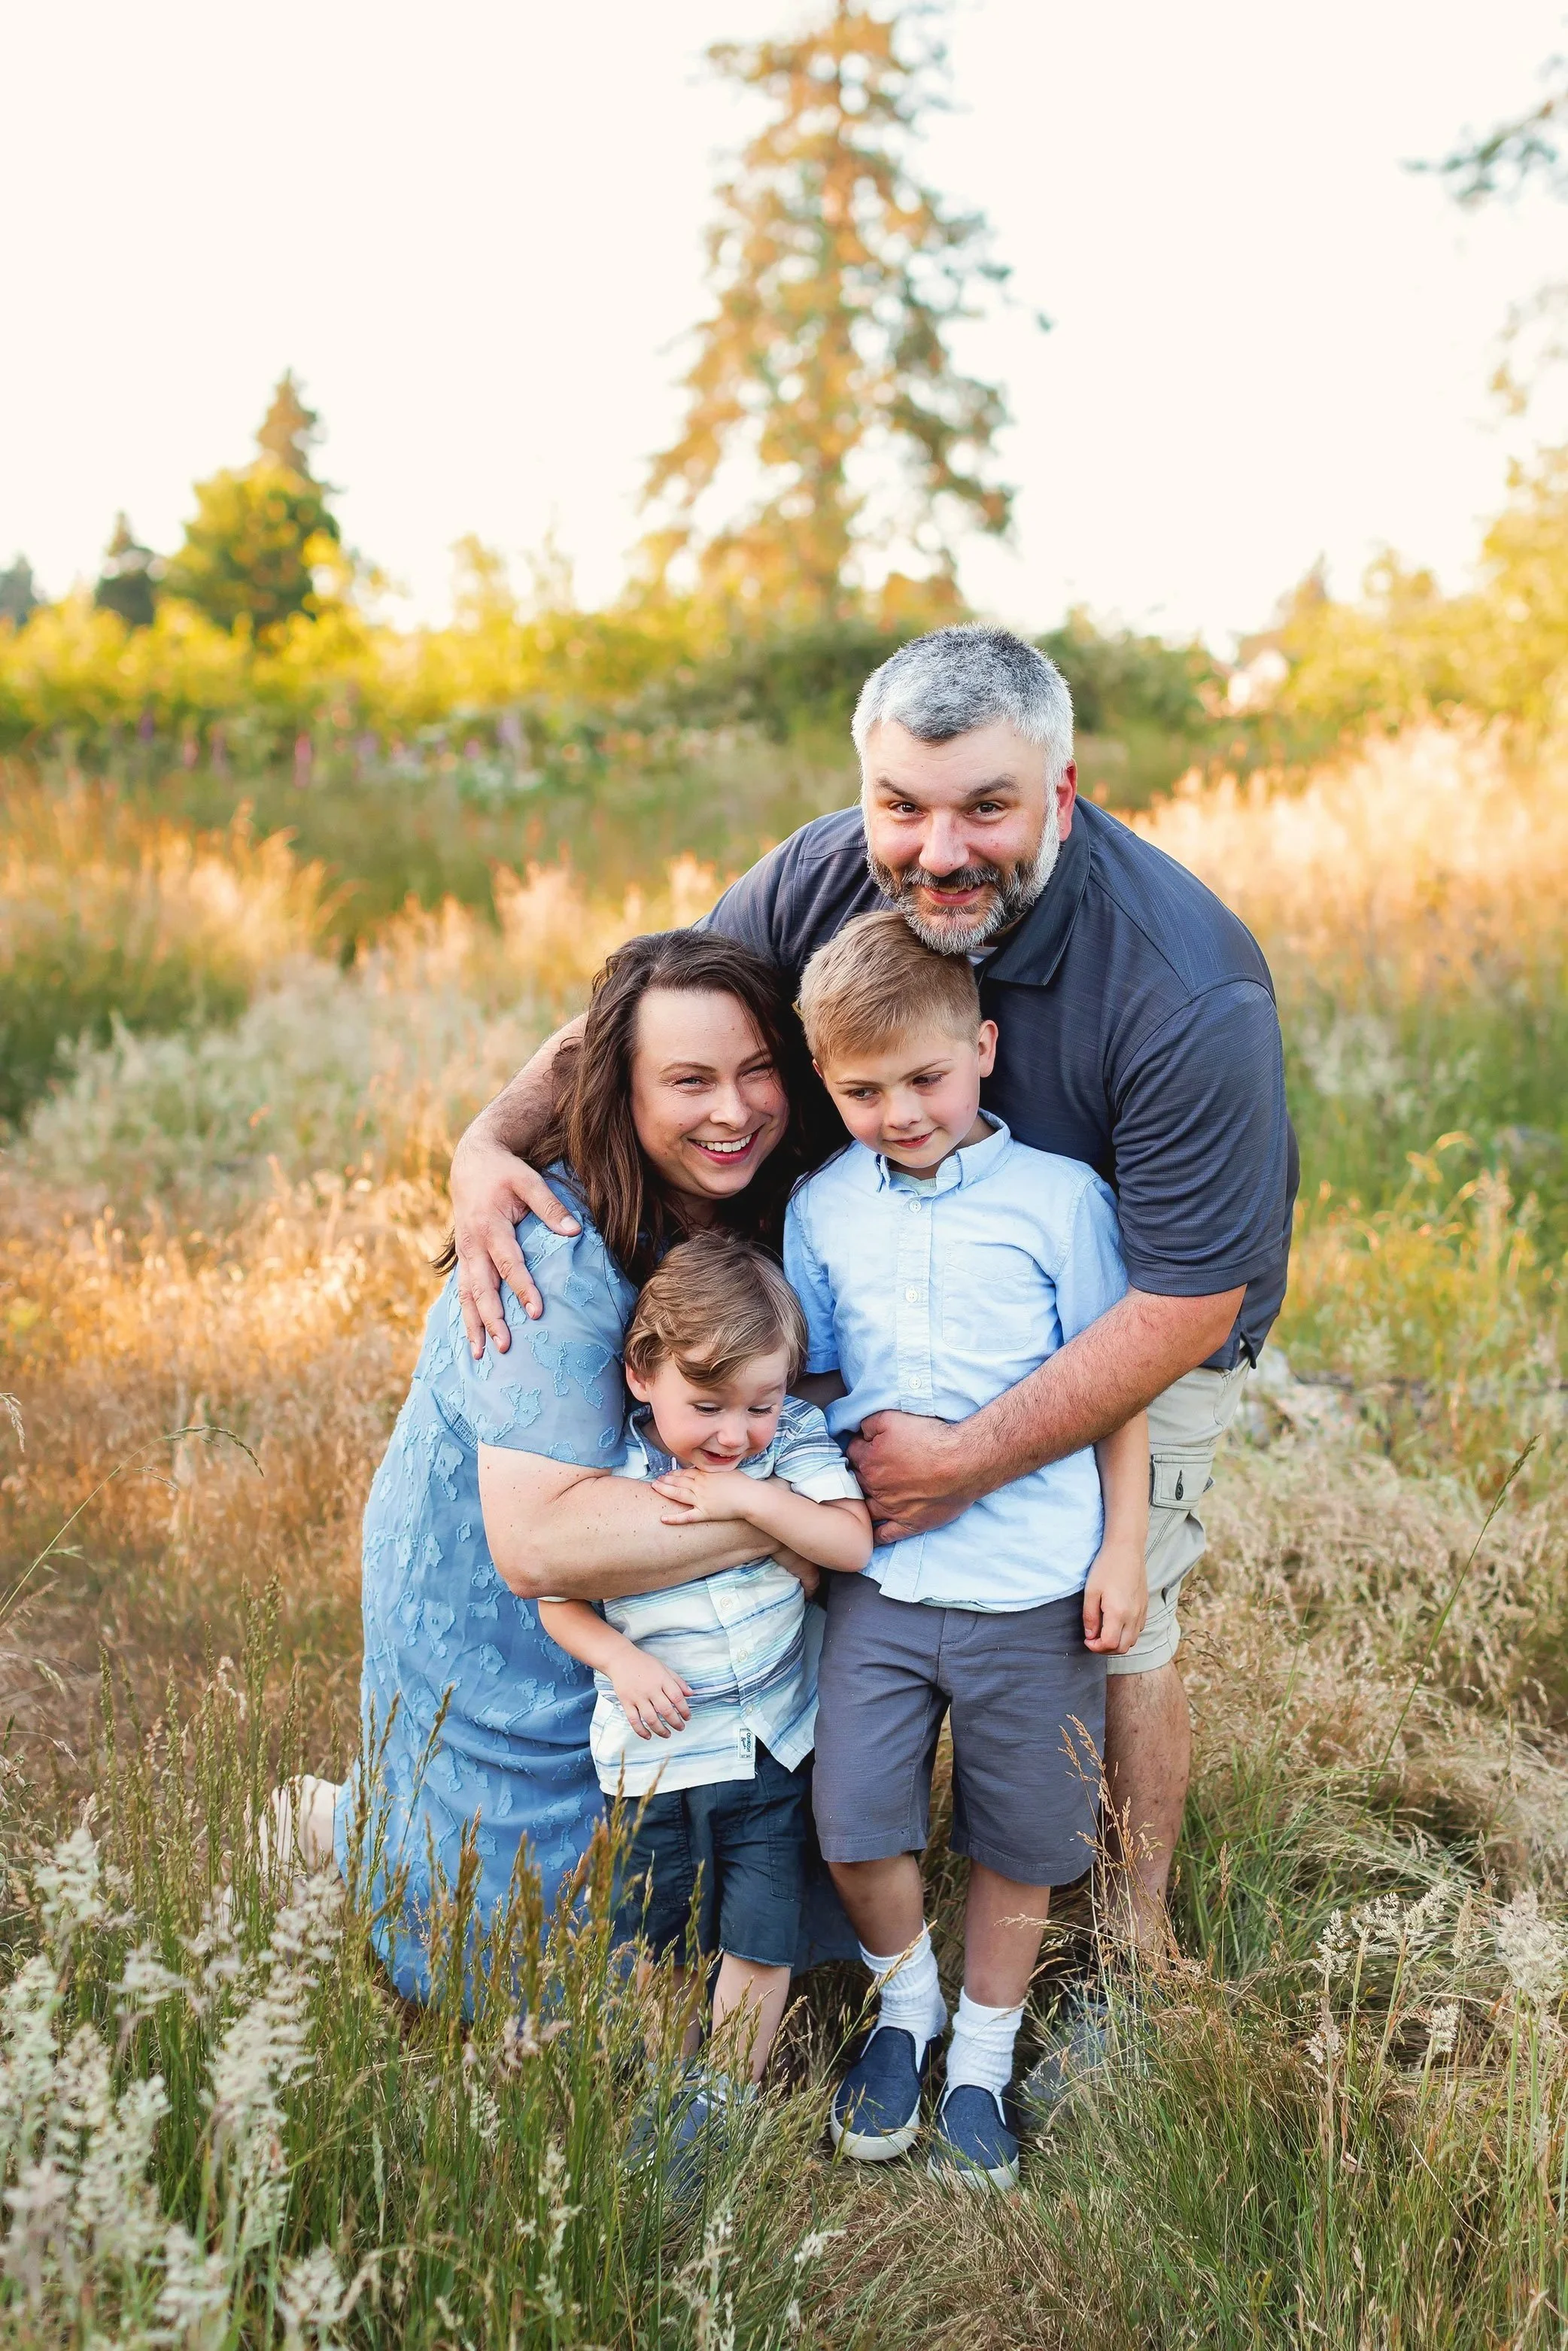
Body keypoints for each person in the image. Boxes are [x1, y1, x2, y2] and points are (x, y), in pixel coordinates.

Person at [446, 625, 1297, 1991]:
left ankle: (1128, 1946)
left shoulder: (1185, 984)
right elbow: (645, 1016)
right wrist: (489, 1138)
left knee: (1117, 1621)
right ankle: (841, 1899)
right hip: (869, 1287)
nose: (936, 850)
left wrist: (973, 1455)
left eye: (984, 807)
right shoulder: (816, 876)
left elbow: (1187, 1298)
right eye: (901, 805)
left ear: (1059, 796)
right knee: (863, 1583)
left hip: (1119, 1311)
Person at [324, 928, 837, 2003]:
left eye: (757, 1073)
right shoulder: (551, 1241)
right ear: (623, 1094)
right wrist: (799, 1513)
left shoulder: (757, 1203)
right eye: (689, 1082)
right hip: (513, 1638)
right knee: (542, 1977)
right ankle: (337, 1825)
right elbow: (536, 1546)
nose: (734, 1110)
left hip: (678, 1633)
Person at [781, 910, 1147, 2188]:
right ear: (824, 1082)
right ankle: (906, 2005)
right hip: (881, 1579)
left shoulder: (1057, 1200)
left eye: (924, 1077)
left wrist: (1123, 1550)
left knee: (1022, 1835)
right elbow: (811, 1371)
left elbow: (1113, 1386)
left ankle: (982, 2058)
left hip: (1033, 1584)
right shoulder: (822, 1209)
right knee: (851, 1816)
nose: (899, 1108)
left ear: (982, 1048)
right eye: (861, 1087)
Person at [537, 1232, 871, 2138]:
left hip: (767, 1746)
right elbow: (555, 1598)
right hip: (651, 1762)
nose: (734, 1434)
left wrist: (752, 1502)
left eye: (759, 1403)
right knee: (656, 1938)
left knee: (760, 1938)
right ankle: (667, 2080)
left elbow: (847, 1542)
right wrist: (620, 1658)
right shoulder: (611, 1473)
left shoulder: (785, 1449)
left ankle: (724, 2101)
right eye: (708, 1405)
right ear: (643, 1375)